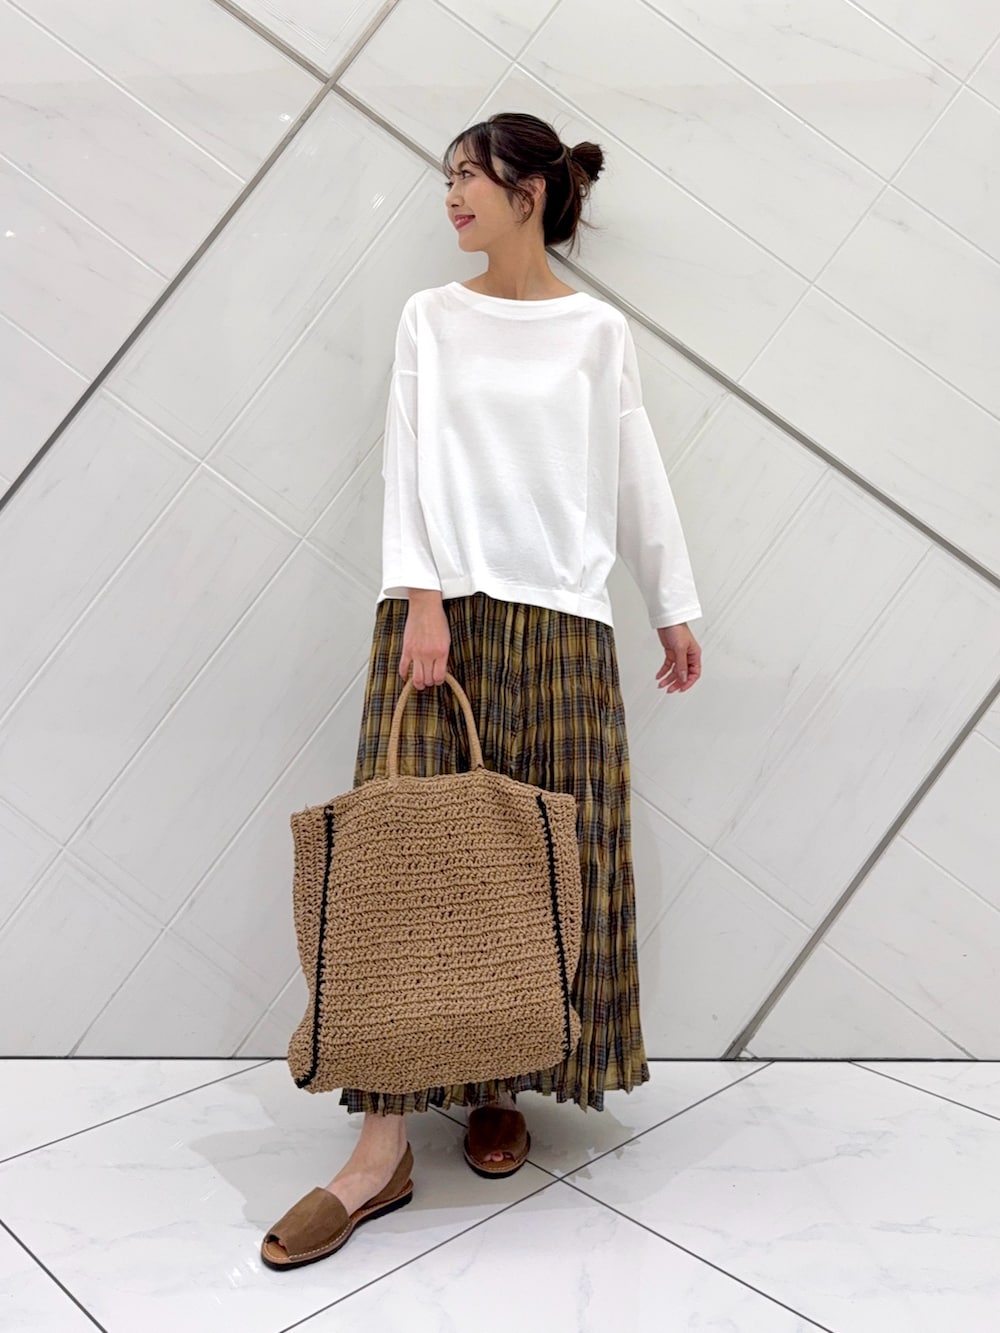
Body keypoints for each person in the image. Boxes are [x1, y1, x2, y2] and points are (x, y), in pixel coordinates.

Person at [261, 110, 702, 1270]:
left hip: (562, 623)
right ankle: (380, 1150)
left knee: (538, 864)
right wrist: (421, 596)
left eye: (470, 176)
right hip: (439, 620)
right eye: (447, 176)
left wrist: (671, 601)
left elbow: (634, 467)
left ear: (529, 193)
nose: (451, 195)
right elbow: (408, 457)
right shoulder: (431, 317)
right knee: (402, 868)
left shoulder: (596, 331)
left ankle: (501, 1084)